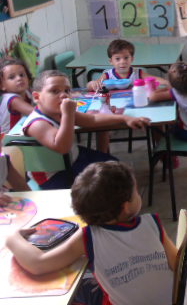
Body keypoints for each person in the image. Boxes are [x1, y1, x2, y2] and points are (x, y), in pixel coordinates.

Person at [6, 161, 177, 305]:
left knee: (79, 285)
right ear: (125, 207)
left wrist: (12, 238)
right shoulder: (152, 223)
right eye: (136, 191)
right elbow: (178, 264)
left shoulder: (88, 237)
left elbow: (38, 264)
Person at [22, 70, 150, 189]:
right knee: (107, 182)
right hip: (55, 175)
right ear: (37, 97)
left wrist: (124, 118)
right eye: (54, 91)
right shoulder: (37, 123)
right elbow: (62, 147)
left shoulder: (58, 111)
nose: (63, 95)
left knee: (117, 168)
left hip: (74, 158)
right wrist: (68, 114)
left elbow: (92, 119)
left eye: (67, 90)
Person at [149, 61, 187, 142]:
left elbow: (152, 97)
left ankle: (165, 151)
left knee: (170, 127)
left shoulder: (176, 93)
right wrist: (172, 87)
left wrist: (168, 87)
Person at [86, 39, 167, 91]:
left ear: (131, 59)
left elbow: (154, 79)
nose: (122, 62)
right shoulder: (107, 75)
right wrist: (92, 84)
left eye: (126, 58)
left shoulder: (137, 73)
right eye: (117, 59)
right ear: (111, 61)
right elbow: (90, 86)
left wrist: (168, 83)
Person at [0, 57, 35, 133]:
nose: (19, 78)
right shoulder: (12, 99)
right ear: (2, 85)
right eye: (12, 77)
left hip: (21, 132)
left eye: (22, 75)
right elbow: (35, 112)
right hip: (9, 140)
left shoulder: (27, 91)